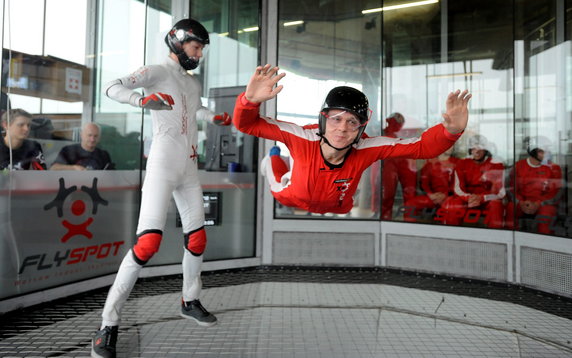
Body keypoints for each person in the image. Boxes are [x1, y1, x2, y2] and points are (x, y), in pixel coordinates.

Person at [91, 18, 231, 358]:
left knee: (197, 238)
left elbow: (193, 107)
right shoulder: (156, 70)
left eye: (201, 49)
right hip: (162, 165)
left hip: (189, 166)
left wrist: (214, 117)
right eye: (196, 47)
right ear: (178, 42)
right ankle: (107, 325)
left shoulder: (193, 82)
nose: (199, 54)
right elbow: (112, 86)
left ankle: (190, 300)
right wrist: (141, 100)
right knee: (148, 242)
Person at [233, 64, 471, 214]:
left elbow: (423, 148)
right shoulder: (302, 137)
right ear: (323, 119)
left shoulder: (368, 147)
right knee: (277, 175)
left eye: (352, 122)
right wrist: (249, 101)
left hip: (338, 206)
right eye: (336, 119)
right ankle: (272, 157)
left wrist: (451, 131)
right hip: (291, 196)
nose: (342, 129)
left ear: (360, 127)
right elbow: (247, 124)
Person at [438, 134, 505, 228]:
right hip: (467, 199)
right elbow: (458, 189)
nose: (476, 151)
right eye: (473, 148)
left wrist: (482, 198)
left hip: (487, 200)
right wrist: (469, 198)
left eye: (480, 148)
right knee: (453, 204)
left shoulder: (496, 165)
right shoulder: (462, 164)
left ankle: (496, 238)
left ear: (485, 150)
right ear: (470, 150)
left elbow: (501, 192)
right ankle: (451, 235)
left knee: (496, 204)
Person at [505, 136, 562, 234]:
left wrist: (538, 203)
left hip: (544, 204)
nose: (547, 153)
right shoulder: (518, 166)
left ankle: (543, 246)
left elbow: (556, 193)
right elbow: (511, 189)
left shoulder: (554, 168)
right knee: (511, 208)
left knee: (546, 214)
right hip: (522, 202)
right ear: (532, 151)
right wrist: (521, 202)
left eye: (547, 150)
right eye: (542, 151)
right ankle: (511, 242)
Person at [369, 113, 418, 219]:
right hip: (388, 161)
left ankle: (409, 219)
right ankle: (383, 216)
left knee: (409, 192)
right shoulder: (383, 127)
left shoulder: (411, 125)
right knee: (386, 193)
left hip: (405, 159)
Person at [404, 146, 458, 222]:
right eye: (448, 145)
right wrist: (430, 194)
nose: (450, 148)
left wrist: (446, 194)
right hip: (432, 197)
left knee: (452, 207)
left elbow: (458, 184)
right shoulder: (431, 163)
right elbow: (424, 183)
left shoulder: (457, 163)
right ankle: (408, 230)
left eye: (452, 146)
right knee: (410, 204)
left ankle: (447, 232)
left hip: (450, 197)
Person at [50, 122, 115, 170]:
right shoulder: (68, 151)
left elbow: (111, 175)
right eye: (89, 135)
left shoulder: (103, 155)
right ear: (81, 135)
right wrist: (73, 168)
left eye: (95, 136)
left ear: (99, 138)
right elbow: (53, 168)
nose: (92, 139)